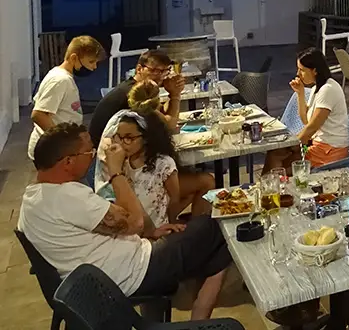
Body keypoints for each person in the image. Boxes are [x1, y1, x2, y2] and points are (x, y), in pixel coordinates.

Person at [19, 123, 232, 320]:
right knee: (218, 225)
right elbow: (136, 222)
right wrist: (116, 172)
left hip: (110, 271)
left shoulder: (32, 198)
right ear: (68, 162)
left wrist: (151, 232)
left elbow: (123, 225)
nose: (93, 157)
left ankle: (195, 314)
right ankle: (199, 318)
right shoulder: (68, 197)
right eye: (89, 153)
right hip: (132, 274)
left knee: (210, 243)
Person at [95, 83, 213, 227]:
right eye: (119, 137)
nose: (120, 142)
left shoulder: (122, 119)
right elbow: (170, 124)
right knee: (202, 183)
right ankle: (197, 230)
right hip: (122, 207)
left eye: (128, 138)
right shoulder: (128, 146)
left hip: (133, 217)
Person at [264, 48, 349, 173]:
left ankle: (270, 187)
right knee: (275, 154)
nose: (298, 74)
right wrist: (300, 93)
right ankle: (268, 187)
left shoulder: (328, 90)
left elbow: (311, 128)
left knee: (279, 167)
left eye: (302, 70)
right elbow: (306, 120)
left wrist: (292, 145)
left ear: (314, 70)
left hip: (329, 150)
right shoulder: (318, 88)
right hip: (319, 145)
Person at [29, 36, 106, 161]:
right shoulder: (60, 80)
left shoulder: (63, 77)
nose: (94, 67)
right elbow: (39, 114)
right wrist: (62, 141)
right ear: (74, 58)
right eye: (91, 62)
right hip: (51, 151)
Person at [89, 49, 186, 146]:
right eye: (155, 71)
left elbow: (161, 112)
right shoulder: (133, 92)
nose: (161, 76)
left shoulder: (139, 86)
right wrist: (175, 95)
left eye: (166, 71)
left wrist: (172, 93)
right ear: (139, 69)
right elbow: (168, 126)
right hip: (105, 151)